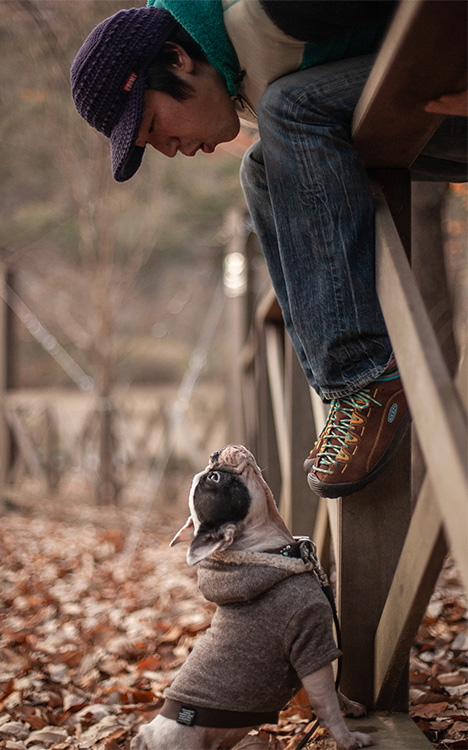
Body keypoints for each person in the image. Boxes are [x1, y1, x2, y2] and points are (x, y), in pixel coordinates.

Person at [71, 1, 467, 499]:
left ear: (176, 58)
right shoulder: (237, 60)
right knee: (261, 168)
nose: (169, 149)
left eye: (153, 124)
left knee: (289, 111)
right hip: (427, 115)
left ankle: (367, 380)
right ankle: (349, 396)